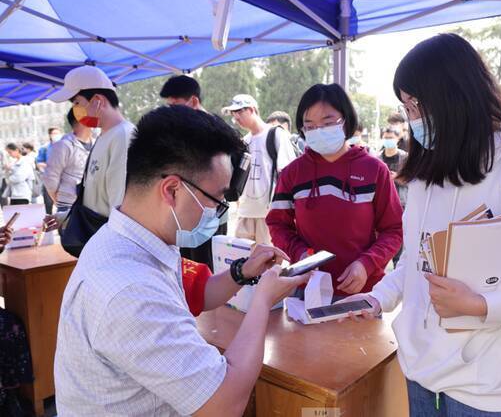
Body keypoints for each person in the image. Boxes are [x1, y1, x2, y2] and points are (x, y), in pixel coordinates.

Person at [339, 34, 501, 416]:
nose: (414, 118)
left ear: (458, 94)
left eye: (419, 103)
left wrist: (482, 304)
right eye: (407, 106)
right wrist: (379, 297)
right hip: (420, 376)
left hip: (487, 392)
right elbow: (419, 262)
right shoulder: (428, 172)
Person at [54, 105, 310, 416]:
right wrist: (262, 300)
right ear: (173, 189)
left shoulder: (134, 239)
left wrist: (243, 273)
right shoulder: (129, 289)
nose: (218, 212)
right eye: (216, 198)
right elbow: (224, 404)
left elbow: (197, 294)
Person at [266, 83, 403, 298]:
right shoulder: (292, 173)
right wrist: (300, 254)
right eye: (309, 125)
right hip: (308, 290)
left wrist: (366, 264)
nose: (318, 131)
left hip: (362, 293)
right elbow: (277, 223)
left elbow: (394, 230)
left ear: (345, 120)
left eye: (327, 122)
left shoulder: (375, 169)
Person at [160, 74, 230, 270]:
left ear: (193, 101)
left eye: (175, 105)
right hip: (185, 211)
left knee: (204, 269)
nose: (171, 111)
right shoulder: (184, 127)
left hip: (207, 212)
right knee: (186, 267)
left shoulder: (212, 129)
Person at [49, 65, 135, 219]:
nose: (75, 110)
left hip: (109, 236)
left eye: (76, 103)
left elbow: (120, 206)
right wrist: (65, 218)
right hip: (97, 233)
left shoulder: (123, 136)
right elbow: (95, 200)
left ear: (97, 101)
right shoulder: (103, 135)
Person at [222, 94, 297, 245]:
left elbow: (288, 173)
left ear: (252, 109)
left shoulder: (276, 134)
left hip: (269, 215)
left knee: (269, 264)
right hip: (244, 213)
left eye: (239, 112)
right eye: (233, 114)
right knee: (243, 262)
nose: (236, 118)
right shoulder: (244, 142)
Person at [43, 108, 93, 214]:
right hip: (68, 205)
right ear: (82, 119)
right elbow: (50, 177)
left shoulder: (96, 142)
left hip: (91, 205)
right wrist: (57, 199)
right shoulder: (63, 145)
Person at [377, 127, 408, 267]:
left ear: (397, 139)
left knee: (399, 245)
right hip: (381, 207)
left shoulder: (405, 158)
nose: (388, 140)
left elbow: (413, 180)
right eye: (386, 137)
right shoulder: (377, 159)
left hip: (401, 204)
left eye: (391, 137)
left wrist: (397, 177)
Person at [36, 127, 63, 214]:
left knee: (63, 203)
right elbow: (39, 163)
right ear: (50, 135)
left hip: (64, 179)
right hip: (49, 178)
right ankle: (49, 219)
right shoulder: (45, 148)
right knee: (48, 203)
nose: (57, 135)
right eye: (54, 133)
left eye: (58, 133)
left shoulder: (66, 146)